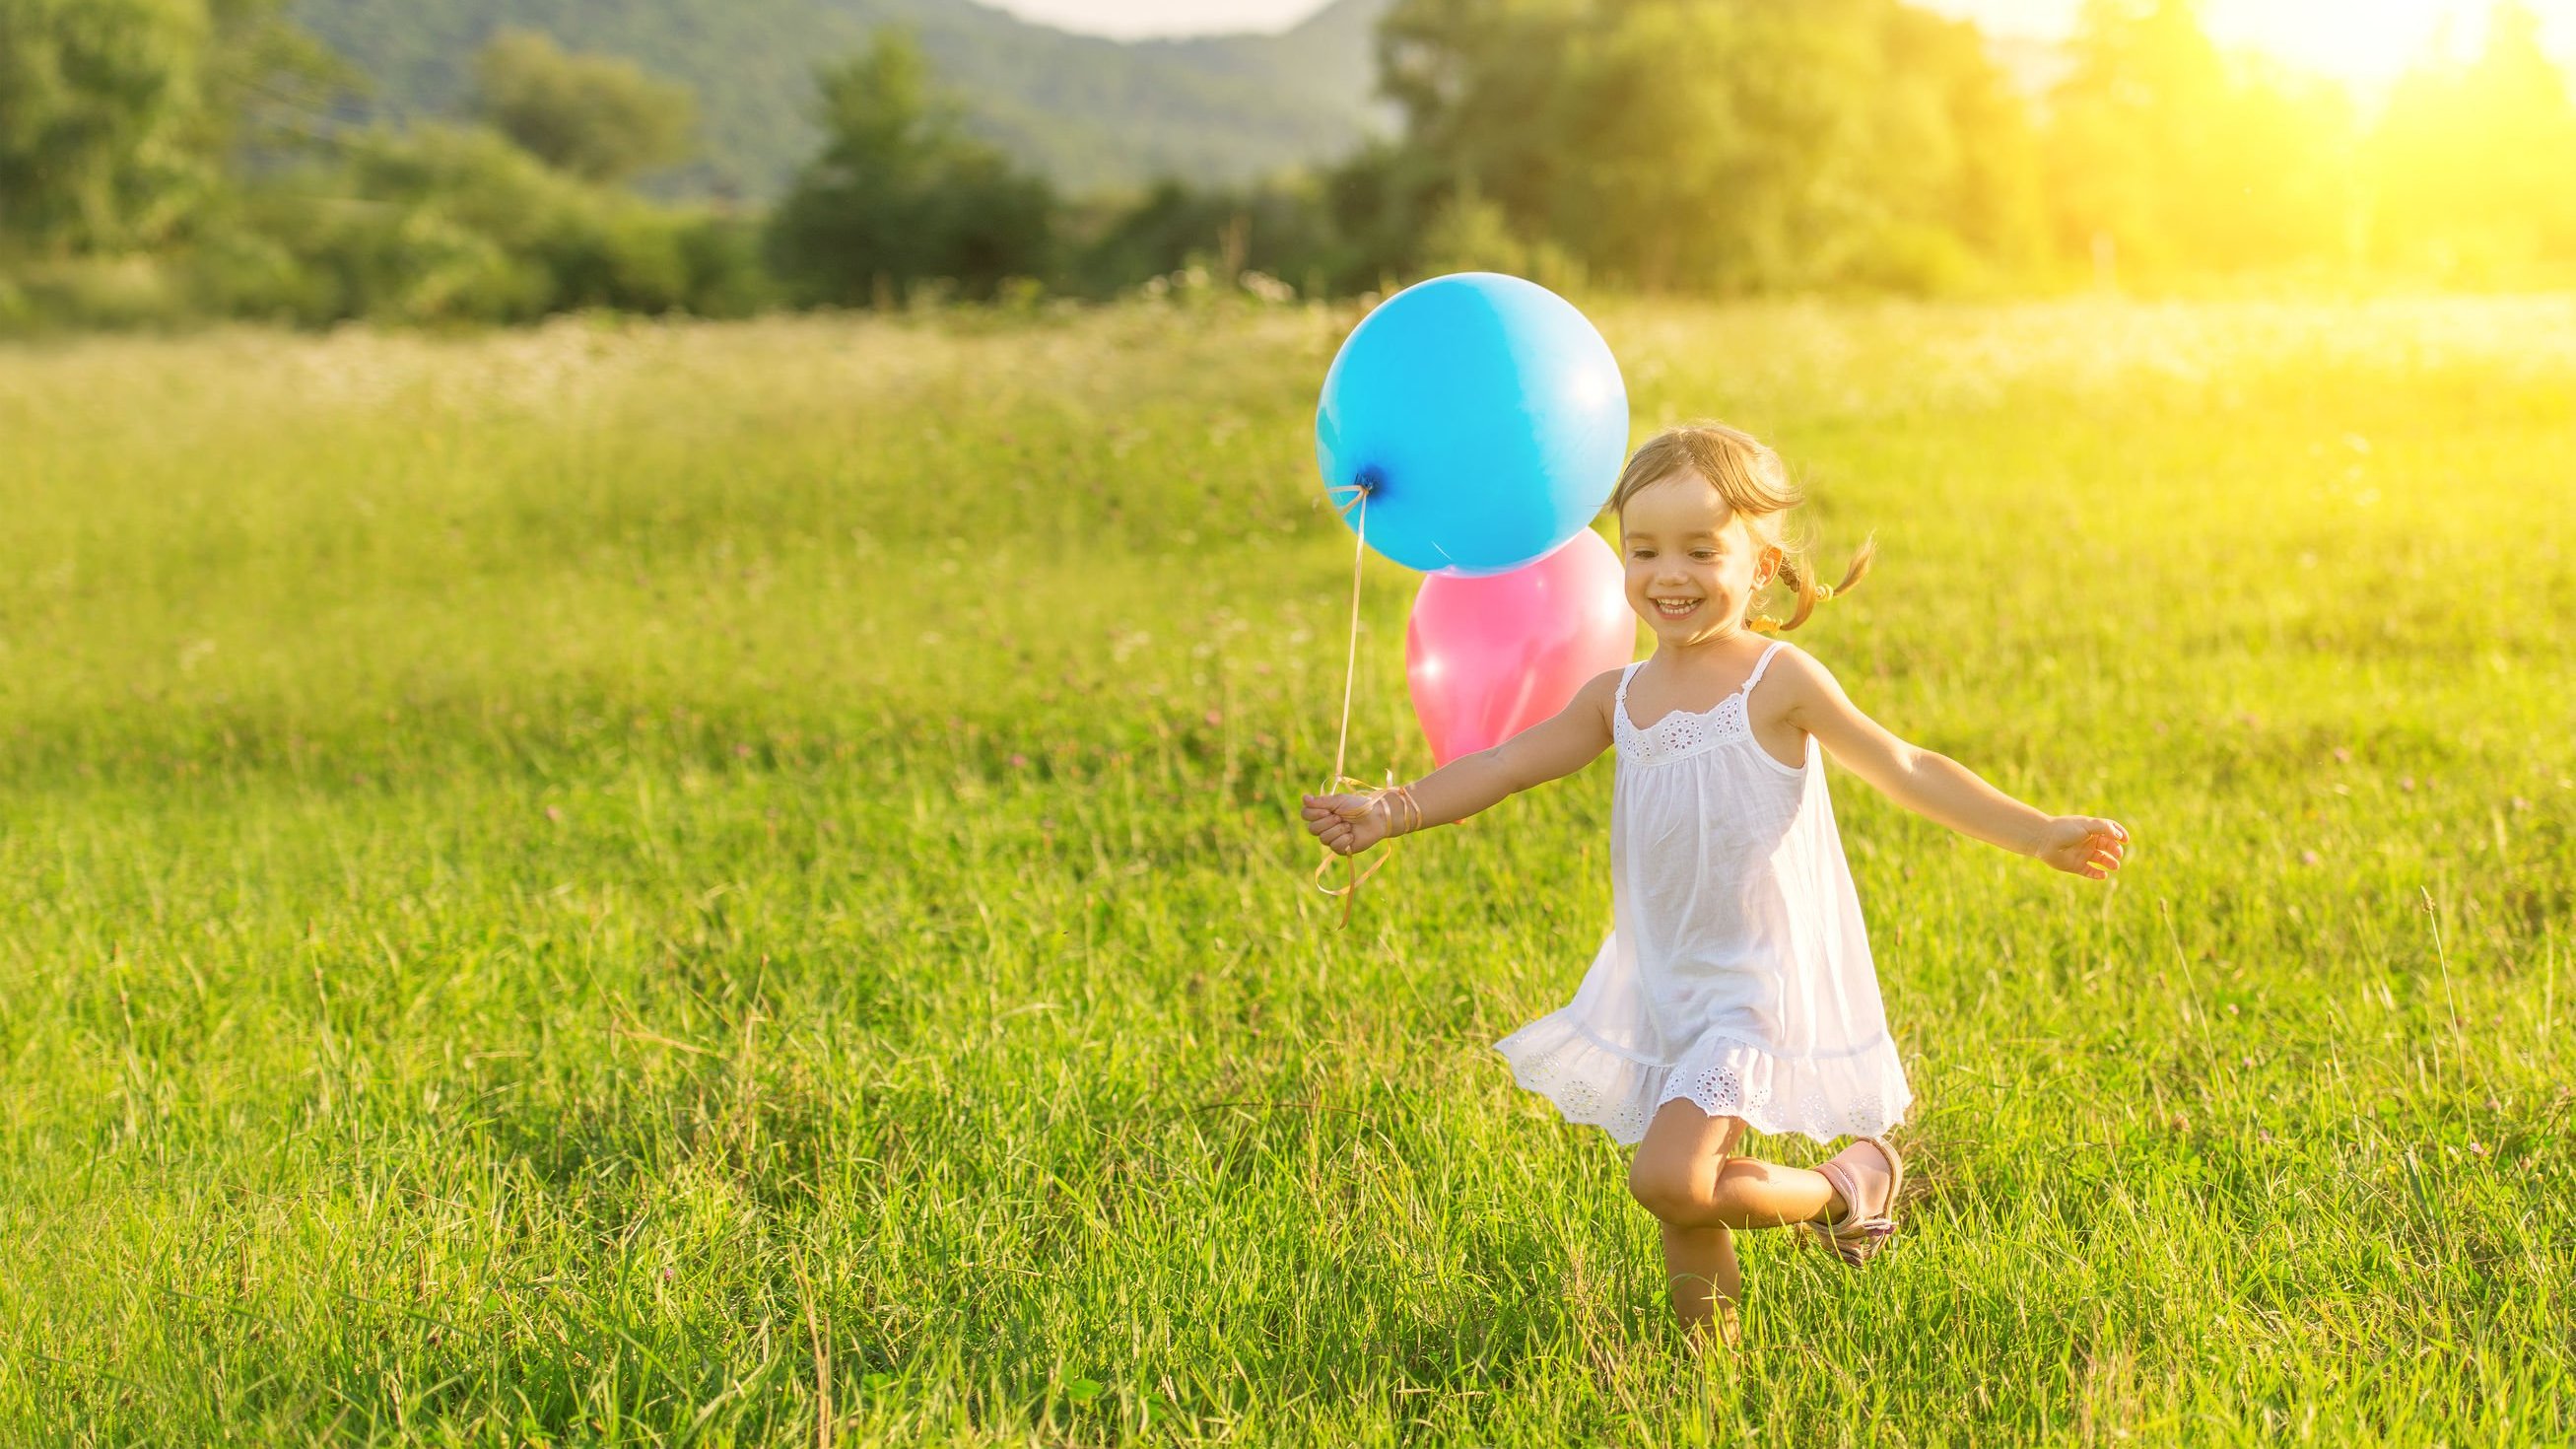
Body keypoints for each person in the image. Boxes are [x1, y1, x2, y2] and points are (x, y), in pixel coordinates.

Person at [1301, 422, 2130, 1342]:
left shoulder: (1777, 681)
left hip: (1755, 983)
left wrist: (2039, 831)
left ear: (1762, 560)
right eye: (1645, 549)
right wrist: (1396, 808)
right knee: (1681, 1207)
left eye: (1702, 549)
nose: (1670, 574)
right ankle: (1711, 1372)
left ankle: (1844, 1187)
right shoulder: (1616, 698)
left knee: (1670, 1177)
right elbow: (1507, 763)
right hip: (1666, 978)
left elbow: (1906, 766)